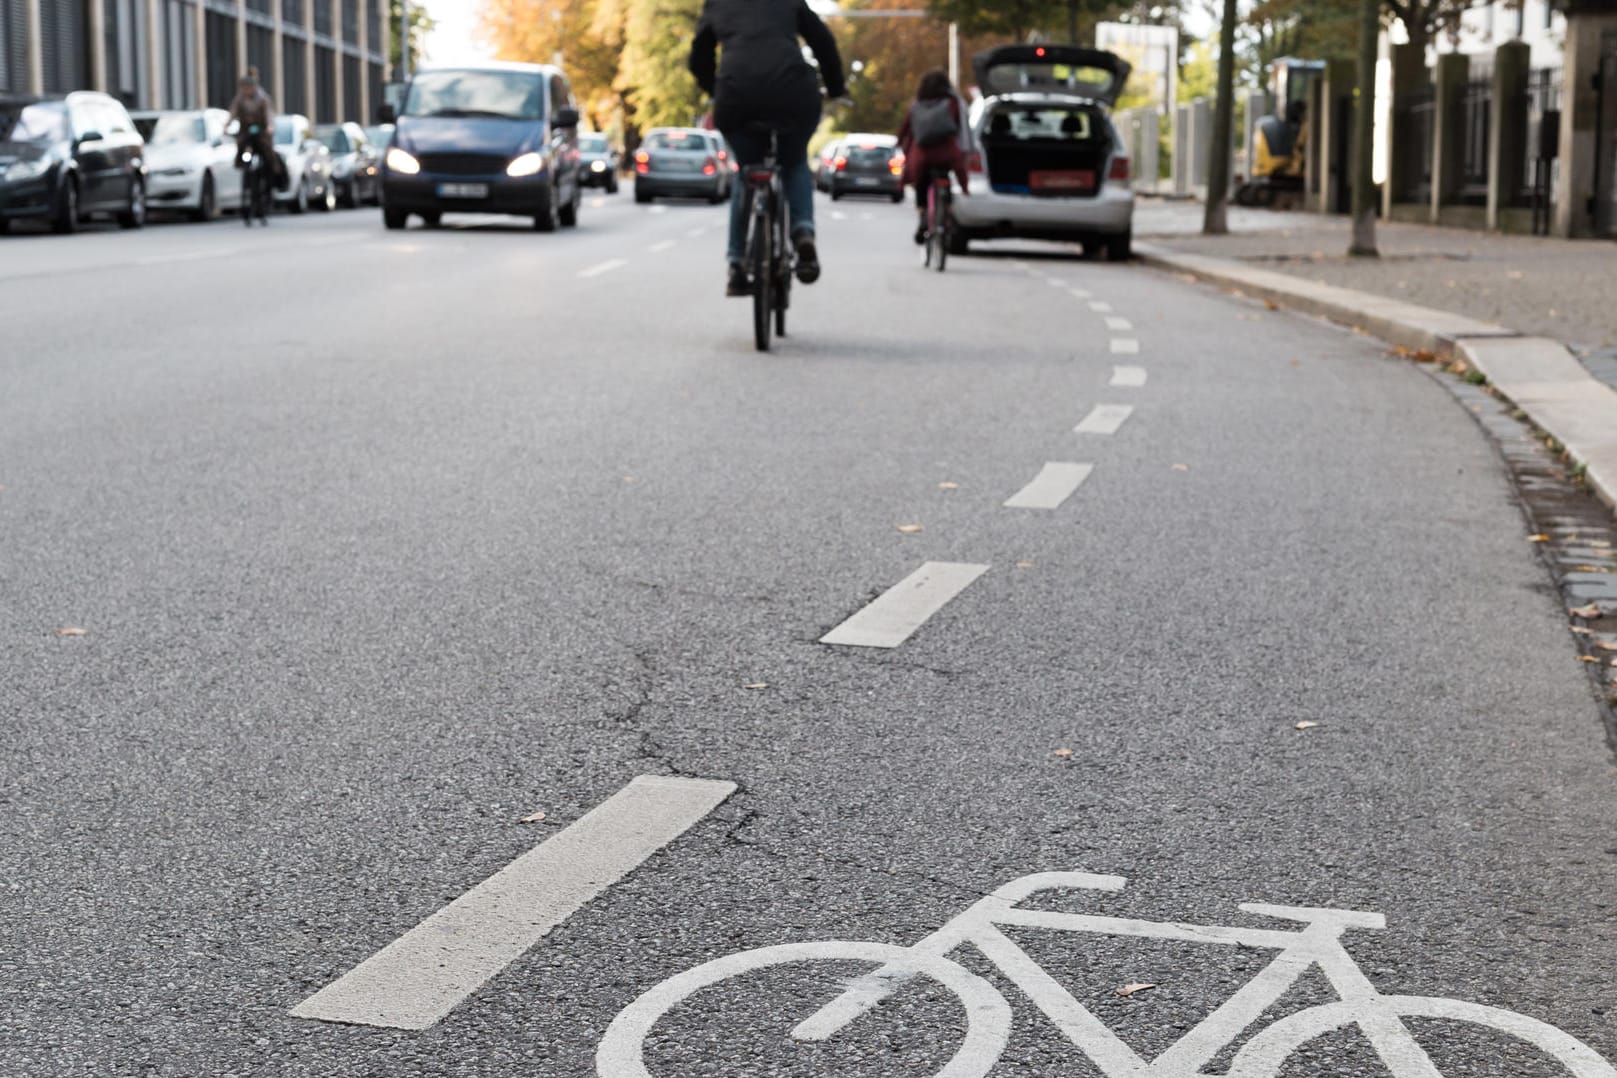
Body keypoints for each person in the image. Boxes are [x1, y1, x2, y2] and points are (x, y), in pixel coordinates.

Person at [689, 0, 847, 298]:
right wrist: (836, 87)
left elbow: (698, 57)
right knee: (795, 162)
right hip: (792, 95)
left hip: (736, 98)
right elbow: (823, 41)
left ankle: (736, 264)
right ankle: (802, 231)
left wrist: (716, 89)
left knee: (746, 172)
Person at [897, 70, 977, 246]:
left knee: (921, 185)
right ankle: (946, 211)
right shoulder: (953, 102)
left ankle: (923, 216)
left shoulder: (917, 104)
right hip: (947, 152)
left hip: (922, 154)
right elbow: (960, 127)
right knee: (948, 177)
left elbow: (905, 128)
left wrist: (900, 143)